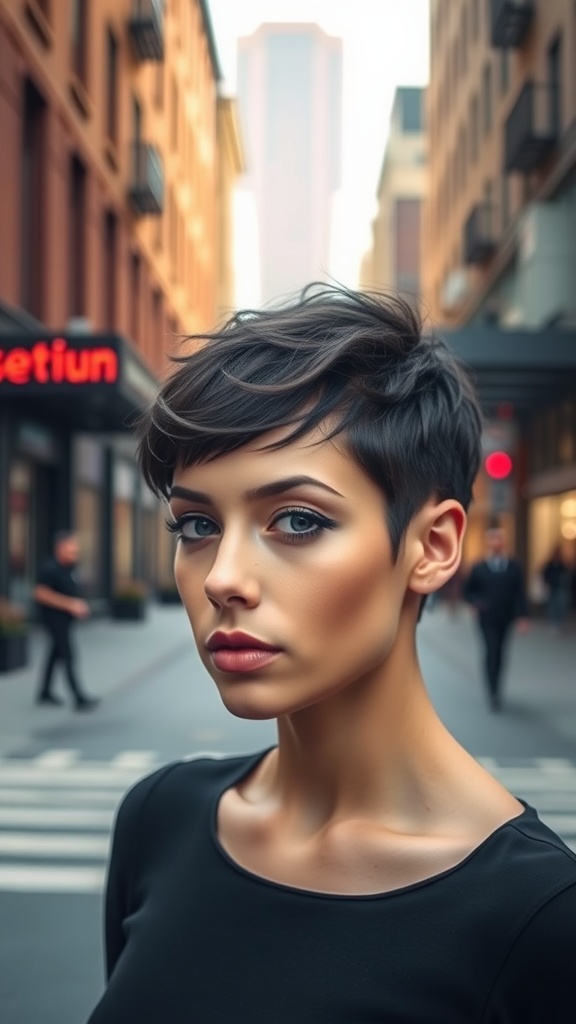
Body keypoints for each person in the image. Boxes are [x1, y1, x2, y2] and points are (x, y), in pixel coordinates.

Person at [88, 286, 575, 1023]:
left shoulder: (543, 920)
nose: (222, 578)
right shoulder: (159, 821)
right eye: (195, 526)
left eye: (296, 519)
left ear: (433, 546)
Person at [463, 524, 529, 711]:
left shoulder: (513, 567)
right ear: (488, 543)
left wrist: (523, 616)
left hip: (505, 617)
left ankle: (497, 686)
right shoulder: (479, 568)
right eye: (493, 539)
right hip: (486, 617)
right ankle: (492, 691)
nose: (496, 543)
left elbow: (520, 593)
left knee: (500, 652)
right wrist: (476, 603)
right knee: (491, 650)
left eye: (499, 539)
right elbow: (468, 591)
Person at [34, 530, 99, 710]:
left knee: (54, 655)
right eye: (71, 550)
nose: (74, 554)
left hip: (65, 619)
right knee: (68, 655)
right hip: (54, 619)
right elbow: (41, 594)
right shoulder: (49, 568)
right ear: (60, 548)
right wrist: (71, 605)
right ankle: (79, 697)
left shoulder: (69, 568)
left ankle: (44, 692)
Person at [542, 543, 572, 630]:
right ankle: (554, 622)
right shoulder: (550, 564)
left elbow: (567, 573)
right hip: (553, 587)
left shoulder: (562, 564)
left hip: (561, 587)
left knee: (561, 605)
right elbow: (545, 574)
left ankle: (558, 622)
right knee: (553, 605)